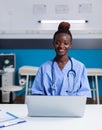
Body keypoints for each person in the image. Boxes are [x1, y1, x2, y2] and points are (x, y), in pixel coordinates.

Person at [32, 21, 92, 98]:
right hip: (49, 107)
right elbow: (37, 93)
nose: (61, 46)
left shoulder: (79, 67)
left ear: (70, 45)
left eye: (66, 43)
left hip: (72, 107)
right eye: (57, 42)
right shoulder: (44, 68)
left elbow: (84, 94)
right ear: (53, 44)